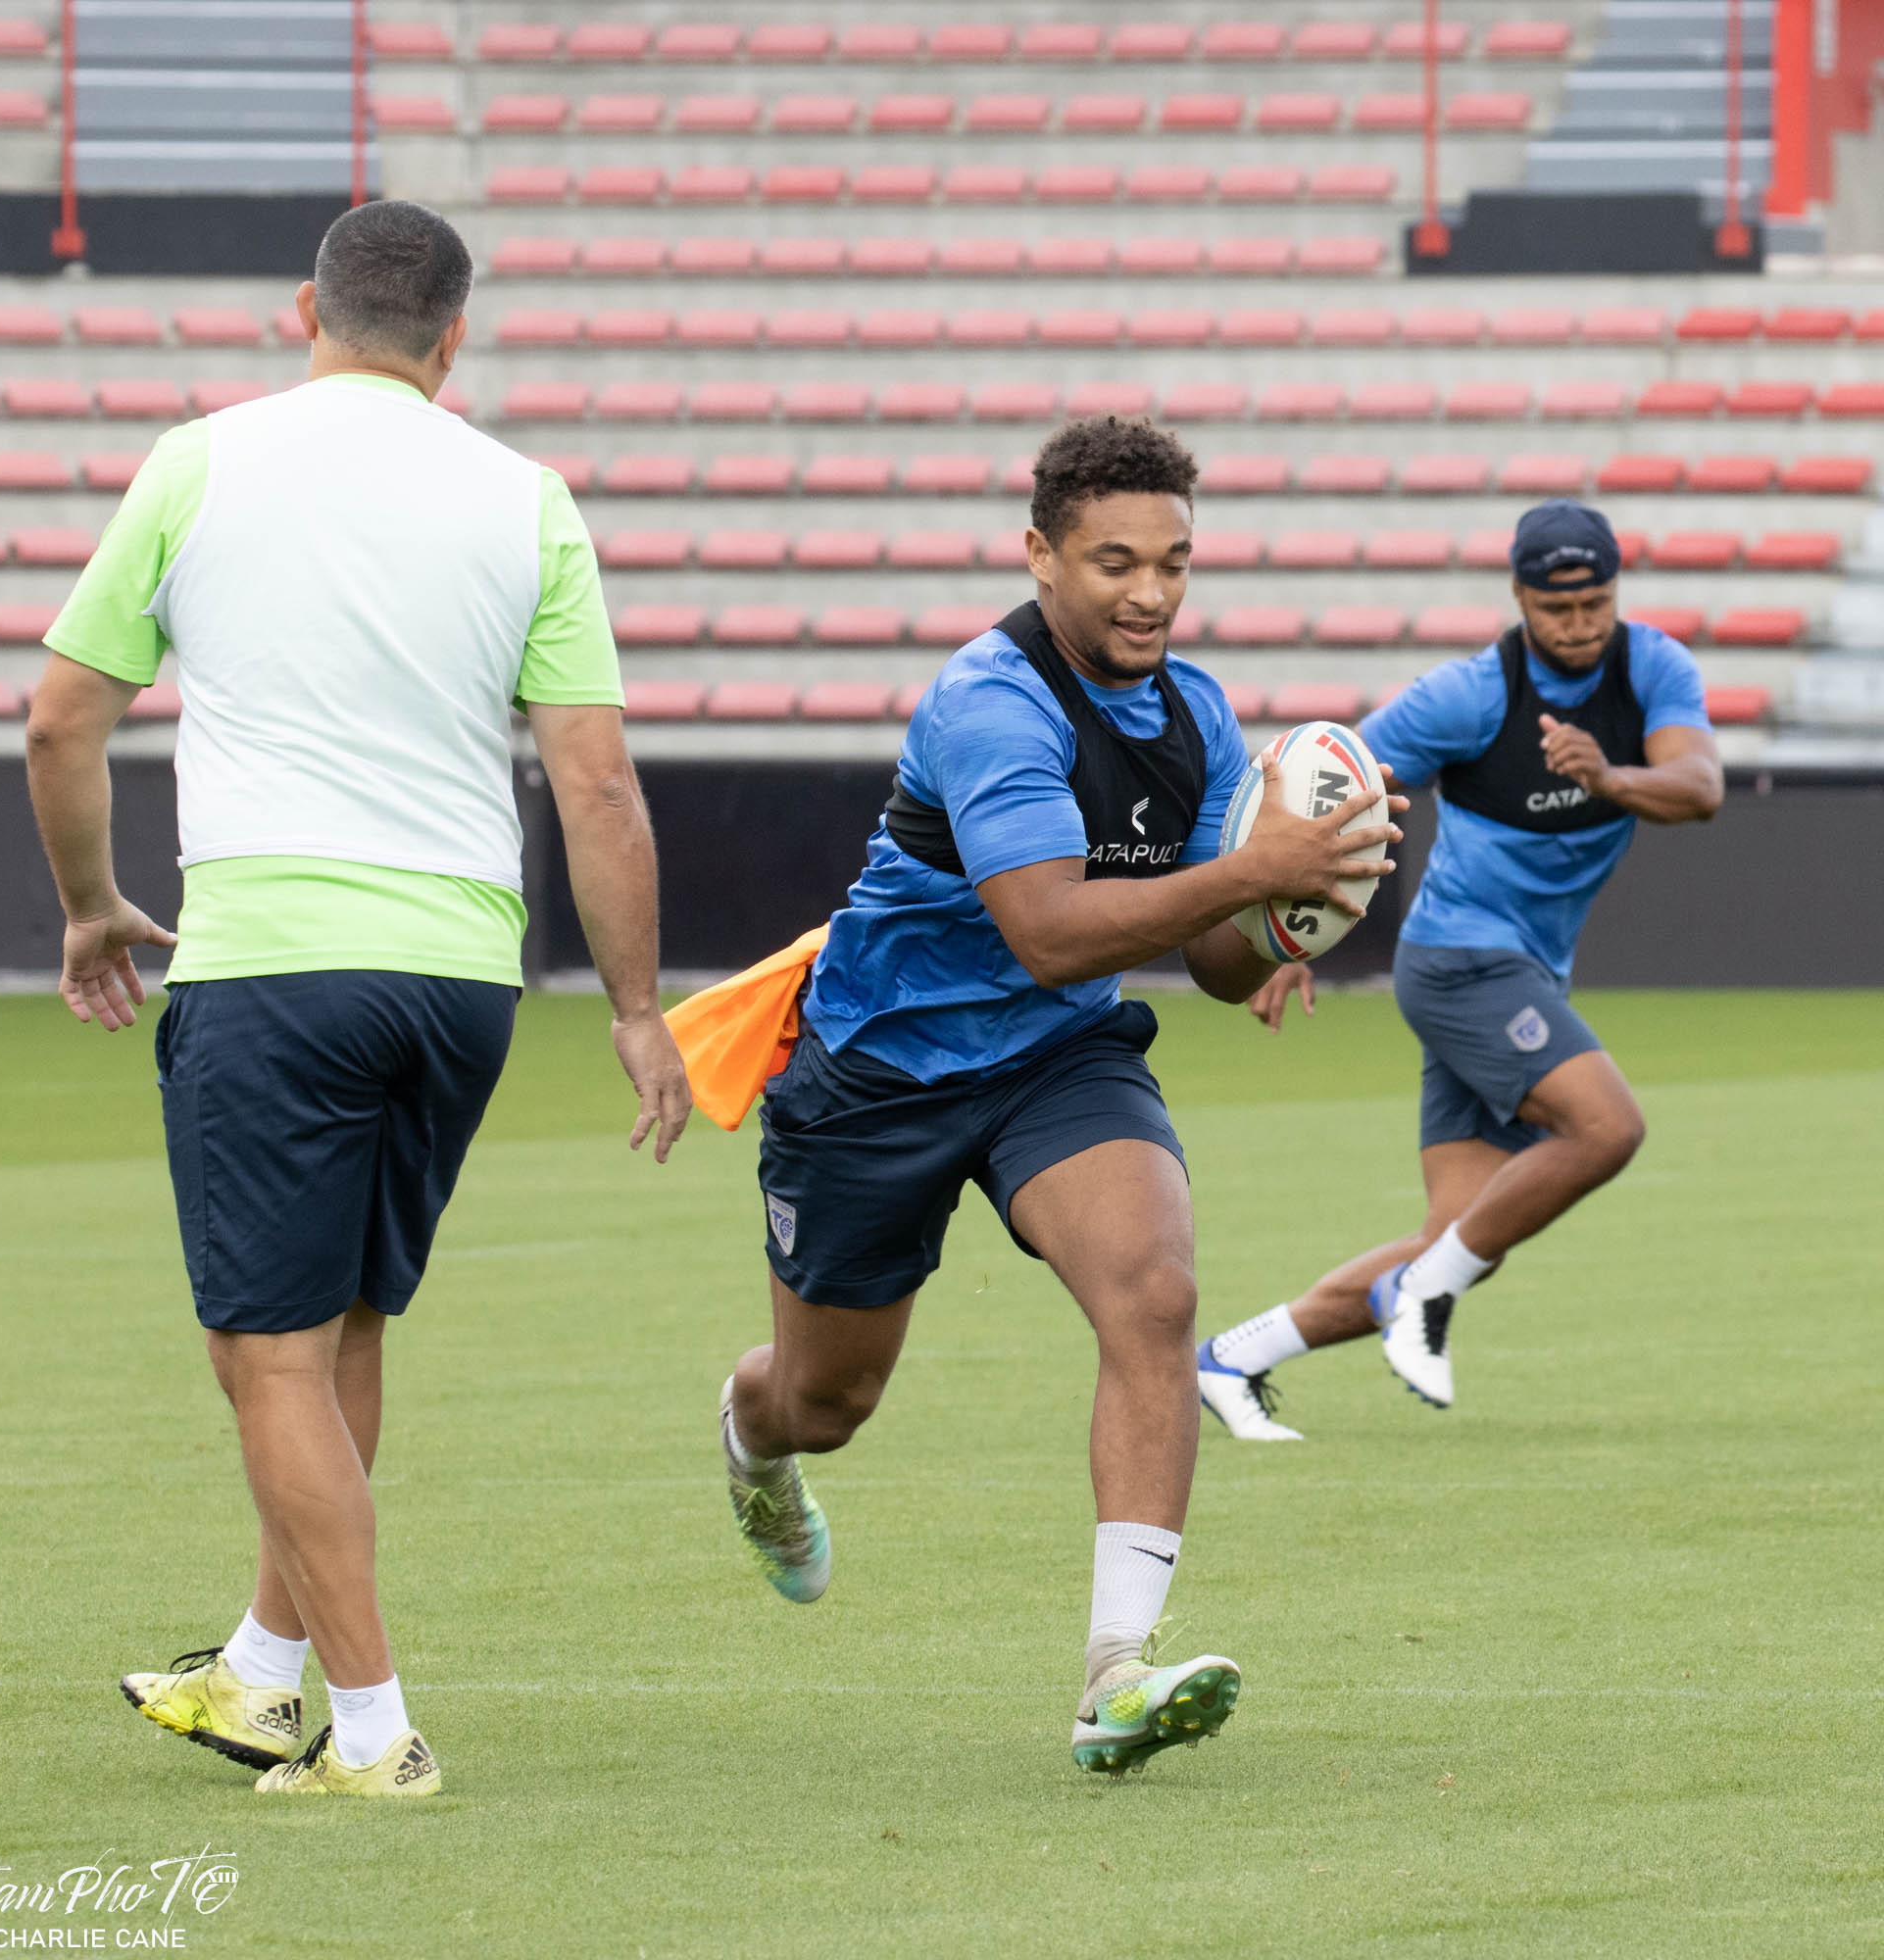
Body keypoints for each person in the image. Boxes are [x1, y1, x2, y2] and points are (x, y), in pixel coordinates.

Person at [24, 200, 690, 1796]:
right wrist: (635, 1008)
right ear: (454, 339)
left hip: (274, 964)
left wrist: (90, 908)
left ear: (301, 313)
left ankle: (375, 1732)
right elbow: (598, 786)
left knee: (266, 1358)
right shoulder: (527, 499)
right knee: (338, 1332)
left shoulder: (201, 462)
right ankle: (262, 1674)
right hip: (461, 975)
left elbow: (59, 723)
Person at [708, 417, 1405, 1775]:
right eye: (1113, 562)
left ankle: (1114, 1672)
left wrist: (1300, 911)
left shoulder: (1197, 715)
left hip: (1055, 1058)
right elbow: (1048, 929)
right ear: (1040, 555)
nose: (1150, 593)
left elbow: (1211, 965)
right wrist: (1251, 876)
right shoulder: (991, 702)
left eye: (1173, 562)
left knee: (1154, 1292)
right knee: (826, 1403)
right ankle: (750, 1433)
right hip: (879, 1072)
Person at [1198, 499, 1722, 1442]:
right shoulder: (1470, 695)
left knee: (1461, 1236)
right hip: (1459, 961)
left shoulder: (1653, 669)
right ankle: (1421, 1296)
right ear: (1519, 597)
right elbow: (1336, 789)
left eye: (1596, 604)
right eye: (1557, 608)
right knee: (1607, 1128)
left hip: (1526, 974)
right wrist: (1285, 931)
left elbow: (1701, 788)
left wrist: (1608, 777)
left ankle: (1233, 1357)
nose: (1579, 625)